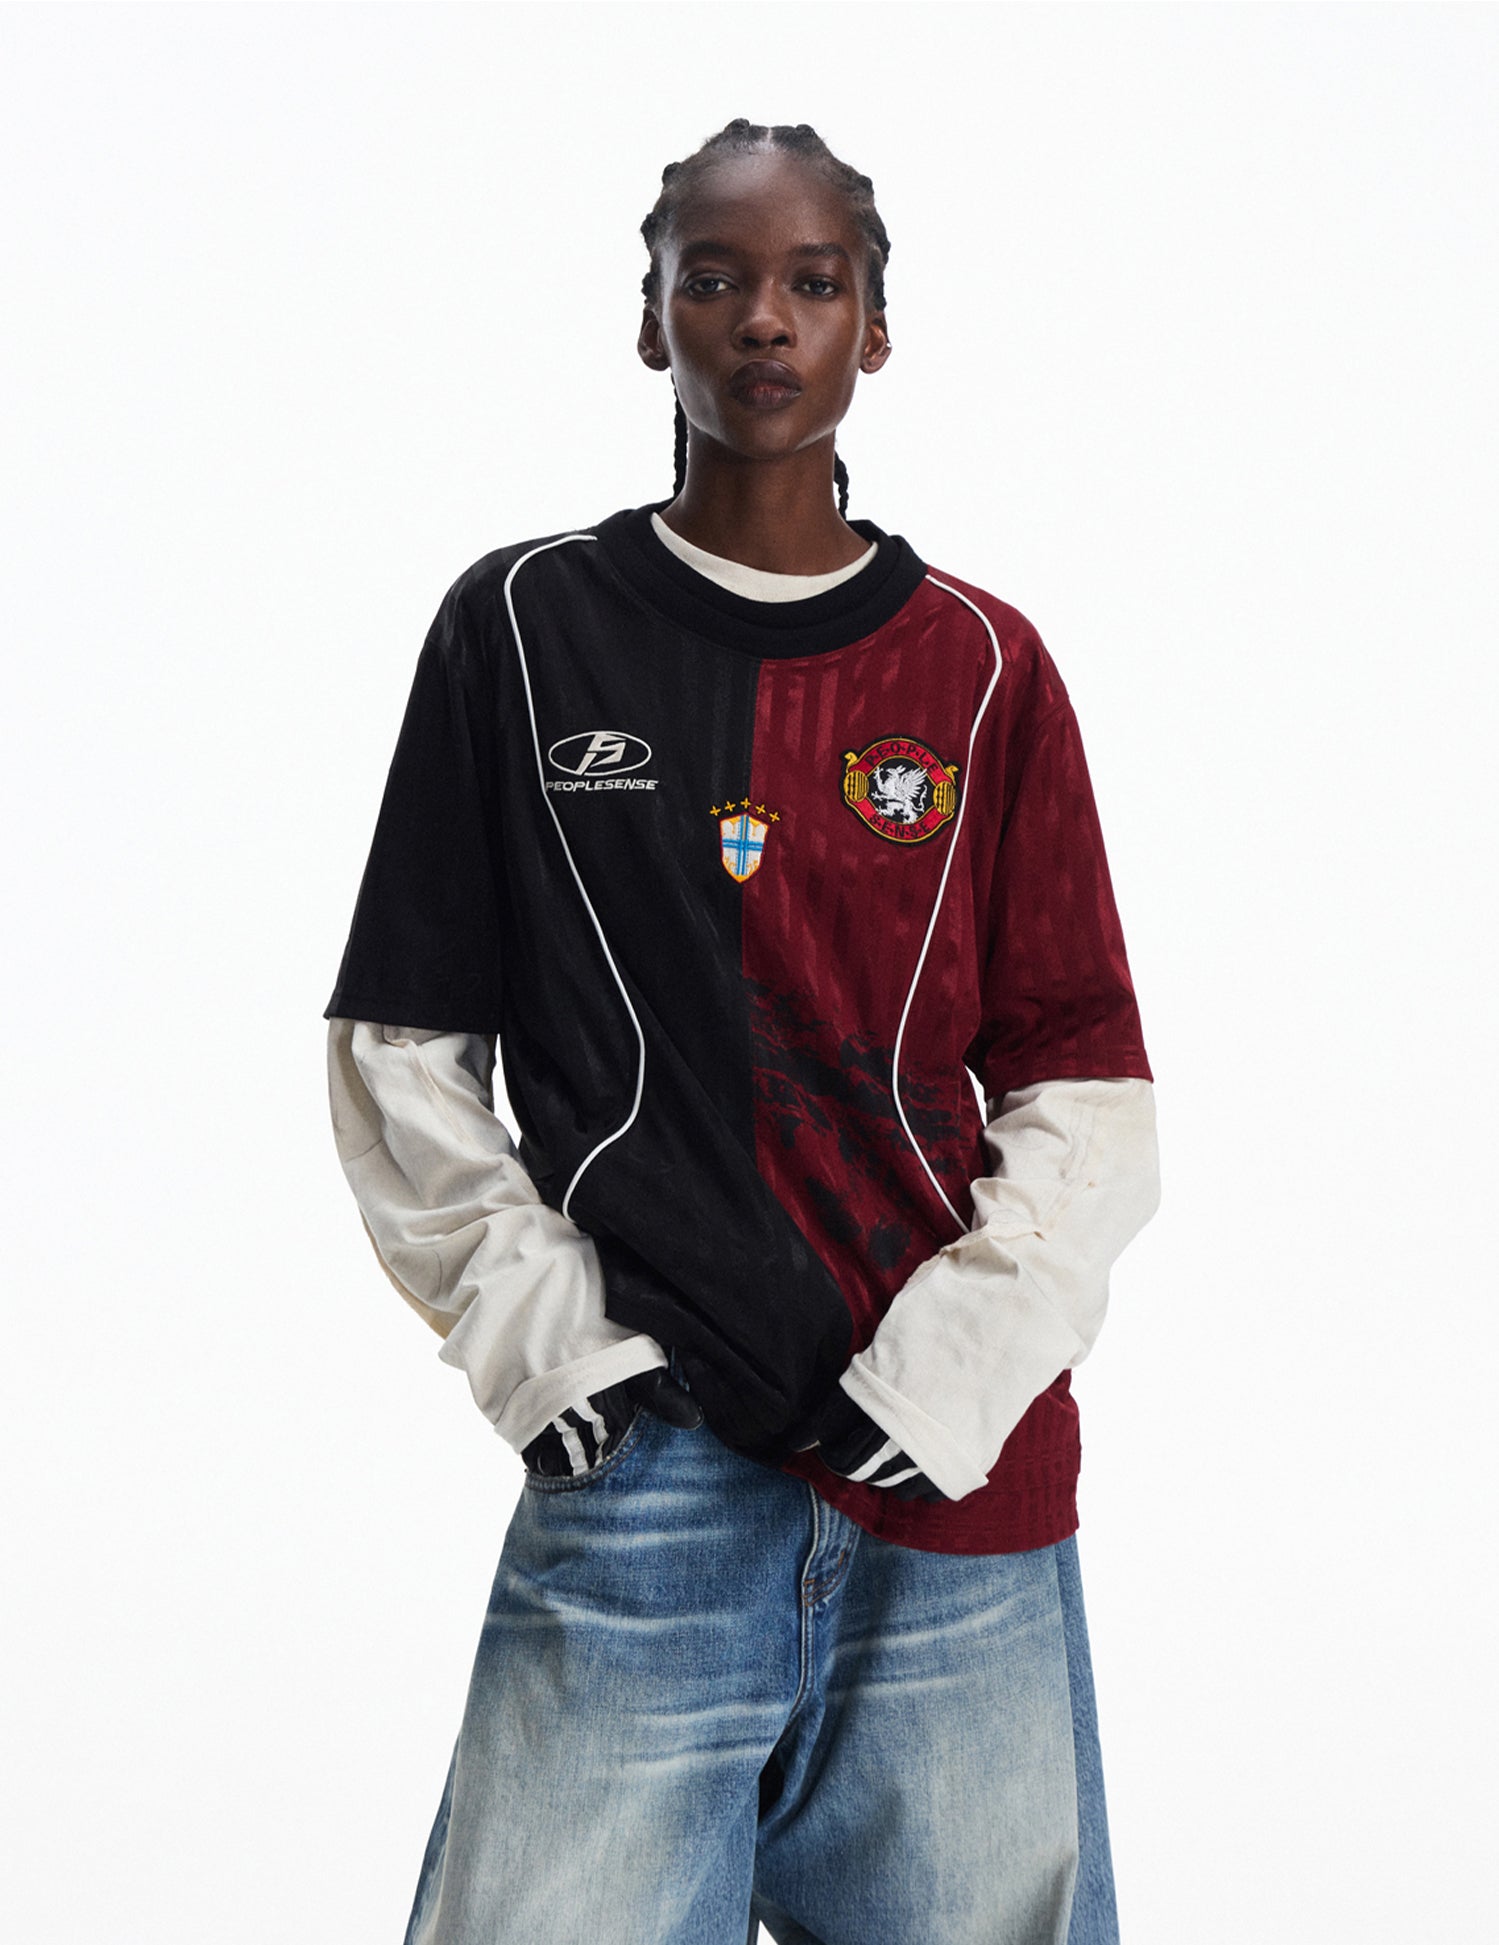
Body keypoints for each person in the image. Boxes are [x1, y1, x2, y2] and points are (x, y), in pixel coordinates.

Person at [323, 118, 1160, 1945]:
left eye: (811, 283)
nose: (762, 319)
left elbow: (1085, 1082)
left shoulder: (983, 667)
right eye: (713, 278)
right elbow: (401, 1044)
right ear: (652, 322)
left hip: (953, 1503)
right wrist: (559, 1363)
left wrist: (947, 1384)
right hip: (650, 1478)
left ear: (876, 327)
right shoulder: (522, 629)